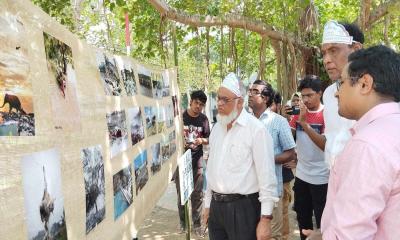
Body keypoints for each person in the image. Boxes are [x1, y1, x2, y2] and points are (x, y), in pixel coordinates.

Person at [304, 45, 400, 240]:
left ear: (365, 84)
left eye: (342, 83)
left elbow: (350, 235)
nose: (337, 94)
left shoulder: (367, 144)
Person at [203, 73, 278, 240]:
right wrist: (208, 205)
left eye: (225, 100)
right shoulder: (216, 129)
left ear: (240, 102)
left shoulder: (256, 130)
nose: (220, 104)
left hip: (243, 209)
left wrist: (265, 219)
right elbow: (212, 171)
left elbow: (267, 177)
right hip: (217, 208)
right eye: (218, 98)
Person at [298, 20, 364, 169]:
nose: (326, 60)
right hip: (334, 179)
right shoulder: (328, 94)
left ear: (356, 49)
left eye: (334, 50)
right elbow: (331, 145)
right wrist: (305, 126)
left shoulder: (377, 92)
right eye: (324, 53)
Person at [248, 80, 296, 240]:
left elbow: (290, 153)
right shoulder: (244, 122)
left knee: (272, 235)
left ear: (266, 98)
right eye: (250, 91)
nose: (250, 94)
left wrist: (265, 160)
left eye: (255, 91)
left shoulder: (278, 122)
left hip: (272, 190)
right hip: (248, 191)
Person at [289, 75, 329, 240]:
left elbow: (325, 145)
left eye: (309, 95)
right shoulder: (298, 114)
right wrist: (287, 120)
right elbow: (289, 140)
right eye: (302, 96)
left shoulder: (327, 114)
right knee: (302, 218)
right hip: (302, 175)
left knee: (322, 221)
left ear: (320, 93)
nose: (305, 99)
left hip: (322, 177)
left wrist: (304, 124)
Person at [174, 90, 210, 235]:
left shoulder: (204, 120)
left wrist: (202, 140)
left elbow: (210, 138)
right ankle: (183, 223)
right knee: (182, 195)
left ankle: (196, 225)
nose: (198, 106)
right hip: (181, 162)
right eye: (196, 103)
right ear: (191, 101)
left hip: (198, 162)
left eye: (201, 105)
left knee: (197, 195)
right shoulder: (180, 118)